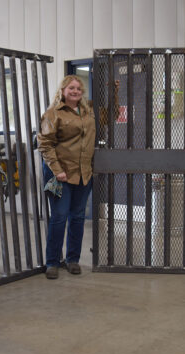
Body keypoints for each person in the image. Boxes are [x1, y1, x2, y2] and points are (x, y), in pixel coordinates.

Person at [38, 75, 119, 279]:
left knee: (78, 217)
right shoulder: (52, 113)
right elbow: (45, 145)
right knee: (59, 217)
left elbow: (112, 116)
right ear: (63, 90)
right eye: (71, 88)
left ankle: (72, 260)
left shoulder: (89, 110)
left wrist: (114, 93)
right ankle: (52, 262)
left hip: (84, 173)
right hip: (60, 173)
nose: (75, 91)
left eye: (79, 88)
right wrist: (57, 170)